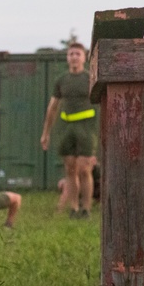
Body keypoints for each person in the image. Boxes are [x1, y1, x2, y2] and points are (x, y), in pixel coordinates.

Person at [40, 42, 99, 219]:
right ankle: (73, 208)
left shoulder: (90, 78)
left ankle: (86, 209)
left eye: (77, 54)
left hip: (87, 128)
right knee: (70, 169)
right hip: (67, 129)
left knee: (84, 169)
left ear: (84, 57)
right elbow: (53, 107)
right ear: (67, 57)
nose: (74, 57)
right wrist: (46, 133)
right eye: (71, 54)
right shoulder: (61, 80)